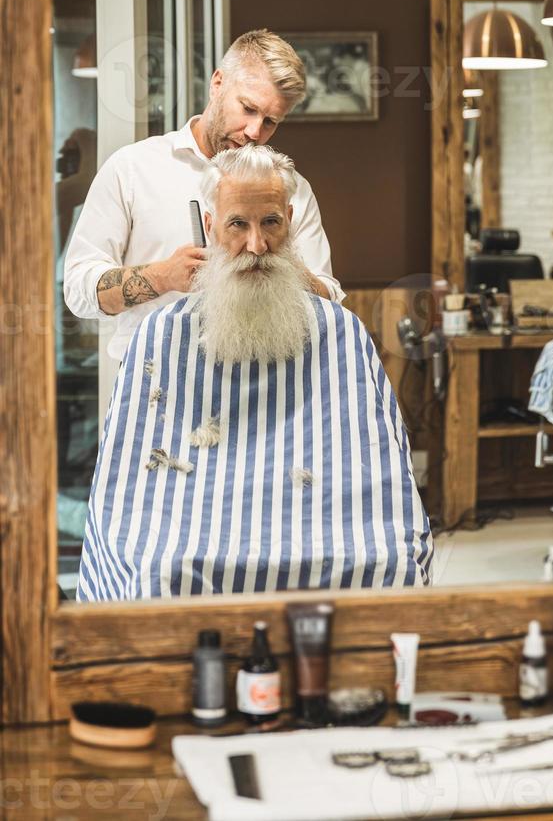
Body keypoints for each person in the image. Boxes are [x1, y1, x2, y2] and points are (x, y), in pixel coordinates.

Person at [76, 146, 433, 600]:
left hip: (315, 511)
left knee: (386, 561)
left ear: (289, 219)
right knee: (160, 572)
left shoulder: (339, 331)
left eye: (271, 223)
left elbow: (376, 460)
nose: (257, 246)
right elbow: (128, 482)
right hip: (193, 514)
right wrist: (162, 276)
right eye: (237, 225)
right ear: (210, 227)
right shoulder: (163, 333)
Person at [64, 30, 343, 362]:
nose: (255, 132)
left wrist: (277, 264)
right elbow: (79, 290)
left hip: (266, 391)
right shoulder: (132, 169)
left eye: (270, 121)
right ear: (217, 83)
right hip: (156, 390)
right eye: (248, 109)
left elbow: (330, 300)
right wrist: (162, 276)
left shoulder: (290, 190)